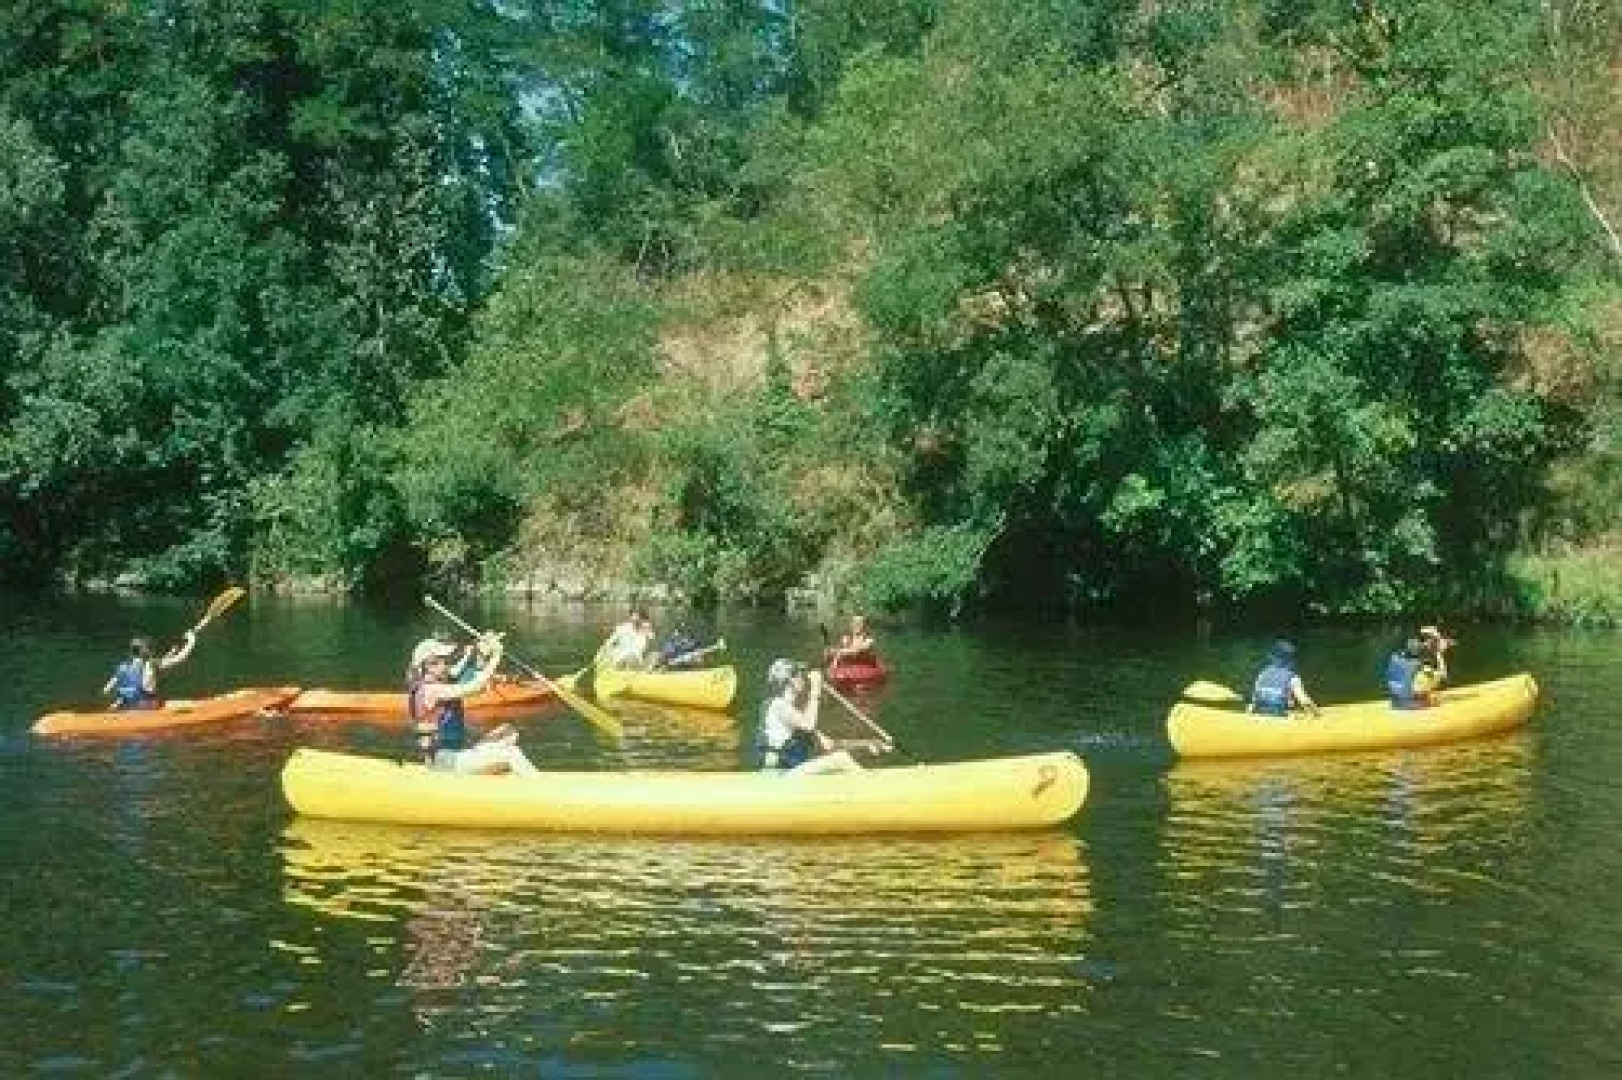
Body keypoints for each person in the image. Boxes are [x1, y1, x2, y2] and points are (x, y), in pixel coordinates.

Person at [409, 632, 540, 777]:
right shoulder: (432, 690)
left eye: (445, 660)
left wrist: (482, 652)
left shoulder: (440, 681)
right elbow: (475, 686)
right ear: (426, 667)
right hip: (445, 762)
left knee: (507, 734)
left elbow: (465, 669)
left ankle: (514, 779)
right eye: (439, 661)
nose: (445, 664)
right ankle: (541, 788)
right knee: (511, 753)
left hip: (455, 756)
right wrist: (496, 656)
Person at [758, 661, 876, 774]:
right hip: (777, 775)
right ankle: (873, 787)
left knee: (836, 762)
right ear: (790, 681)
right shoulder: (778, 705)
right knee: (840, 759)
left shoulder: (792, 713)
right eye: (799, 675)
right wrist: (815, 688)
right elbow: (809, 725)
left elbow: (830, 745)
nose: (803, 679)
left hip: (790, 772)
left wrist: (867, 744)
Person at [102, 632, 197, 710]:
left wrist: (122, 698)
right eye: (149, 648)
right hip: (147, 706)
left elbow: (106, 691)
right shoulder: (151, 664)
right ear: (145, 651)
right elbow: (180, 658)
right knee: (190, 705)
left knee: (126, 695)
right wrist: (191, 641)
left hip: (127, 706)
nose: (152, 651)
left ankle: (119, 703)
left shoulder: (122, 667)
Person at [1247, 639, 1319, 718]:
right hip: (1281, 716)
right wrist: (1317, 714)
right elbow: (1305, 702)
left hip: (1260, 716)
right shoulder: (1292, 677)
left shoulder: (1262, 674)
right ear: (1290, 659)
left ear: (1272, 657)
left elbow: (1254, 701)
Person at [1384, 637, 1440, 710]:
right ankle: (1415, 701)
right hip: (1405, 700)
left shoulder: (1395, 657)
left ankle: (1412, 700)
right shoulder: (1414, 664)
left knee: (1425, 674)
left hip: (1397, 700)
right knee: (1426, 674)